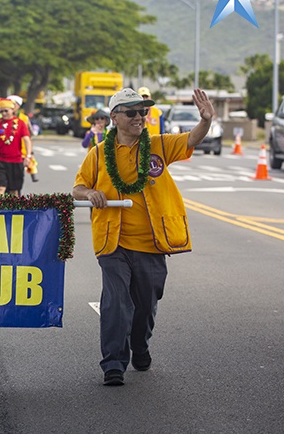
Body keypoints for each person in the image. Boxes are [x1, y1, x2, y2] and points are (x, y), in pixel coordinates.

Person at [72, 87, 216, 387]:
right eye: (132, 112)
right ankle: (113, 363)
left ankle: (140, 344)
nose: (139, 117)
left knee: (146, 303)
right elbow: (78, 188)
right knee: (116, 301)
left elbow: (191, 139)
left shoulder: (159, 146)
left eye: (143, 112)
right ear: (115, 117)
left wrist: (205, 120)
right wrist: (91, 193)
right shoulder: (98, 153)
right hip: (112, 242)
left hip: (152, 243)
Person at [0, 98, 32, 195]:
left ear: (13, 110)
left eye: (6, 111)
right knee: (1, 188)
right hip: (0, 161)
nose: (4, 113)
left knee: (14, 191)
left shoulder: (20, 123)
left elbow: (27, 140)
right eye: (2, 111)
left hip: (16, 161)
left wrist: (28, 155)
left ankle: (14, 210)